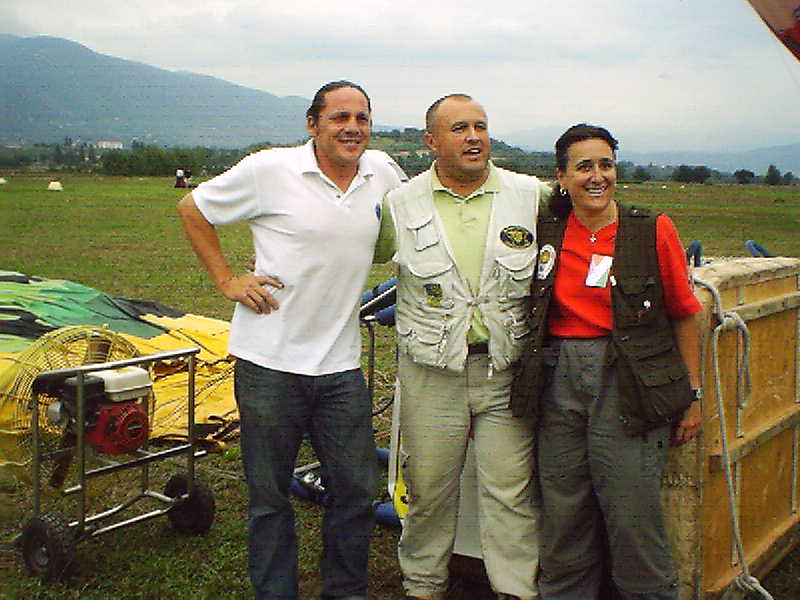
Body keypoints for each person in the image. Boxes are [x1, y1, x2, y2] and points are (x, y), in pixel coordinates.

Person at [177, 80, 406, 600]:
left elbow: (421, 214)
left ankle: (344, 591)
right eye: (340, 117)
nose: (353, 128)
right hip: (269, 363)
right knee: (268, 496)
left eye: (362, 119)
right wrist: (227, 281)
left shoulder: (383, 171)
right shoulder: (269, 170)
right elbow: (194, 209)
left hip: (341, 367)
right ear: (313, 124)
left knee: (355, 490)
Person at [511, 123, 702, 600]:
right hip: (557, 379)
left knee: (633, 510)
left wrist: (692, 397)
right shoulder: (548, 232)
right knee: (563, 507)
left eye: (606, 165)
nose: (597, 177)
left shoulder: (650, 229)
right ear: (561, 177)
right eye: (583, 167)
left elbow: (684, 315)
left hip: (629, 381)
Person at [375, 93, 550, 600]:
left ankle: (515, 590)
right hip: (432, 373)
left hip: (505, 372)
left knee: (510, 491)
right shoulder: (399, 203)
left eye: (480, 126)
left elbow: (587, 229)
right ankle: (423, 587)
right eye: (458, 128)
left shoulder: (530, 195)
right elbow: (349, 256)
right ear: (431, 141)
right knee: (429, 490)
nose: (473, 136)